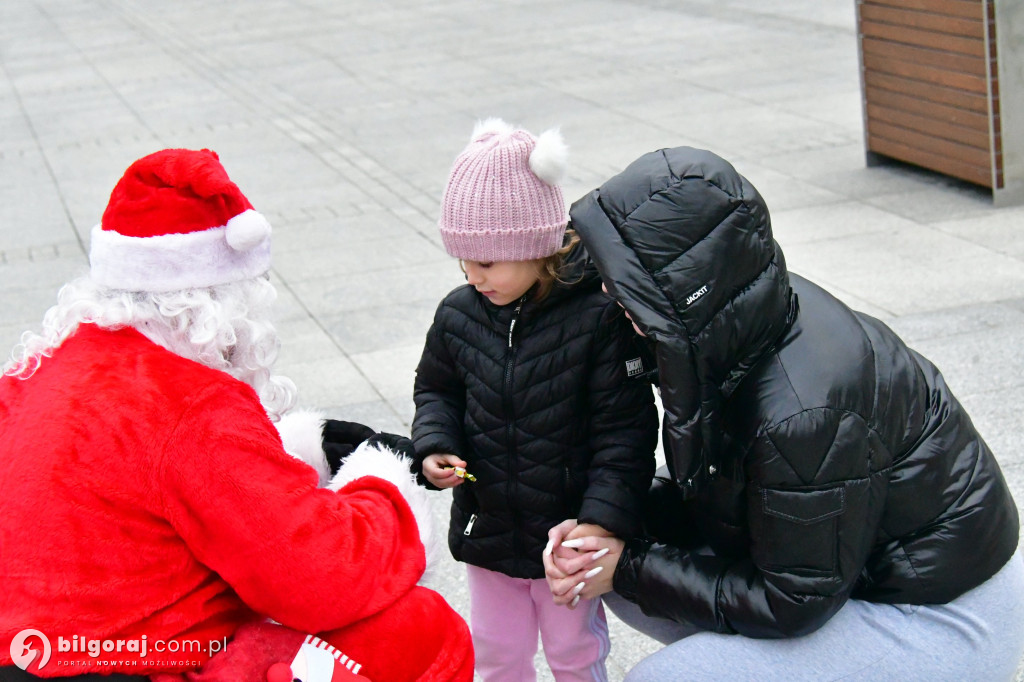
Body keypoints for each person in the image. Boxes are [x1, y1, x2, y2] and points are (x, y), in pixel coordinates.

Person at [543, 145, 1024, 680]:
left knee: (660, 671)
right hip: (855, 573)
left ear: (688, 292)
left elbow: (795, 600)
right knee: (602, 562)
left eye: (628, 282)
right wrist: (607, 519)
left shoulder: (803, 413)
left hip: (942, 614)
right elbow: (716, 488)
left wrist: (630, 568)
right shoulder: (735, 321)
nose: (608, 290)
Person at [0, 148, 473, 682]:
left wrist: (292, 451)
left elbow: (152, 484)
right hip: (128, 665)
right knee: (421, 629)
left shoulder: (33, 374)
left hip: (29, 654)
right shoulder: (192, 402)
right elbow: (319, 580)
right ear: (222, 304)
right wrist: (383, 480)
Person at [410, 119, 658, 681]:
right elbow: (437, 388)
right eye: (463, 262)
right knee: (496, 651)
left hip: (565, 533)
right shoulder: (458, 315)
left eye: (486, 262)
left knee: (574, 651)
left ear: (535, 248)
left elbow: (625, 433)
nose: (473, 276)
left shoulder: (597, 319)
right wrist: (435, 443)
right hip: (489, 526)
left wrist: (599, 522)